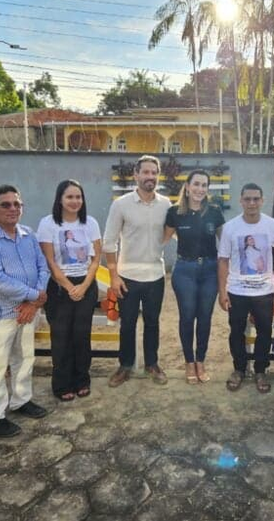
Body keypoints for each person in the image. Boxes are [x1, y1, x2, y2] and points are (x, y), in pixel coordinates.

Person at [0, 185, 50, 438]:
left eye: (17, 204)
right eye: (5, 204)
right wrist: (35, 296)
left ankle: (21, 400)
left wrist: (34, 303)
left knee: (24, 358)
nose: (13, 209)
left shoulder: (28, 234)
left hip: (27, 312)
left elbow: (43, 267)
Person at [102, 155, 172, 387]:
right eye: (146, 172)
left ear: (158, 176)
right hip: (127, 276)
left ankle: (151, 363)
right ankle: (125, 366)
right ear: (136, 175)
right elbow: (109, 242)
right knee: (128, 323)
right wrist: (113, 275)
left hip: (155, 274)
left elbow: (173, 232)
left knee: (152, 322)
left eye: (154, 172)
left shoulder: (166, 204)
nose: (150, 176)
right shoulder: (121, 204)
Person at [38, 179, 102, 401]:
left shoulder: (90, 223)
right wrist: (68, 287)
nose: (75, 201)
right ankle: (62, 384)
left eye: (78, 197)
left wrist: (83, 286)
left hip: (86, 285)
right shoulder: (48, 224)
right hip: (58, 287)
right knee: (61, 337)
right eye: (70, 197)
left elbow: (95, 259)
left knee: (81, 336)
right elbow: (49, 261)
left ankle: (82, 380)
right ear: (60, 199)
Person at [218, 183, 274, 392]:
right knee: (236, 331)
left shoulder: (272, 225)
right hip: (237, 291)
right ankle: (239, 369)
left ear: (263, 201)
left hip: (264, 291)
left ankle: (261, 370)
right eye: (248, 199)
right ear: (241, 201)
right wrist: (222, 291)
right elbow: (223, 260)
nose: (252, 203)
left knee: (264, 331)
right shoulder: (230, 227)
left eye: (256, 199)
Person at [164, 169, 225, 384]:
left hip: (209, 270)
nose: (200, 189)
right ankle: (189, 362)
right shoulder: (174, 212)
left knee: (205, 317)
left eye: (204, 185)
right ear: (187, 187)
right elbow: (162, 239)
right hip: (185, 271)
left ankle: (201, 361)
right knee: (187, 316)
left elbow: (225, 244)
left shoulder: (215, 212)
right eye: (196, 184)